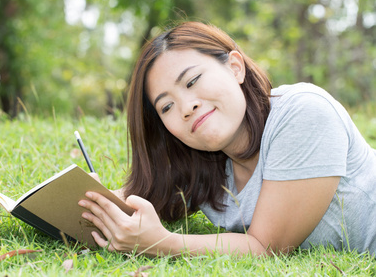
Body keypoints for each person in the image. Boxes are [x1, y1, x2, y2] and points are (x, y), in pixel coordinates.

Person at [78, 21, 376, 257]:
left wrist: (162, 243)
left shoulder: (304, 113)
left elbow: (265, 247)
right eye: (166, 106)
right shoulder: (204, 165)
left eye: (192, 81)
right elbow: (146, 195)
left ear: (235, 67)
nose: (186, 107)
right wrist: (94, 200)